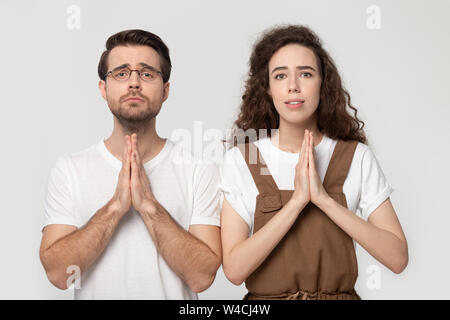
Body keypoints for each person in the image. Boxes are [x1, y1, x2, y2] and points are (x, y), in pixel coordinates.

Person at [220, 25, 408, 300]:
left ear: (323, 84)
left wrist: (323, 200)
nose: (293, 85)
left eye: (306, 74)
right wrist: (296, 202)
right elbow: (234, 270)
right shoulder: (243, 159)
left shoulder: (356, 156)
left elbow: (397, 258)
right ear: (268, 89)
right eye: (280, 75)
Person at [39, 29, 222, 299]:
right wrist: (115, 208)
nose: (134, 83)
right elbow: (58, 274)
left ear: (166, 90)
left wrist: (149, 206)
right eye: (121, 73)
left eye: (147, 73)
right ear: (103, 88)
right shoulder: (70, 169)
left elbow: (202, 277)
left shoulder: (199, 170)